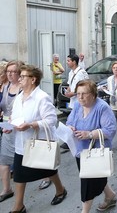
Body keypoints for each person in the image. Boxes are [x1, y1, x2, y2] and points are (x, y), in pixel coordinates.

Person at [4, 65, 67, 213]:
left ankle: (60, 190)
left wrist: (31, 125)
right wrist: (10, 124)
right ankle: (18, 206)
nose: (19, 79)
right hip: (21, 143)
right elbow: (16, 116)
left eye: (23, 76)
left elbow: (51, 120)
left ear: (33, 80)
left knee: (47, 169)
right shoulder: (19, 97)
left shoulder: (42, 97)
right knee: (19, 174)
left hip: (38, 143)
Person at [66, 80, 117, 213]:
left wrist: (89, 134)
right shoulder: (77, 105)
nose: (80, 97)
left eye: (84, 94)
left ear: (93, 94)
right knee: (93, 176)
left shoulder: (102, 107)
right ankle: (110, 196)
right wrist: (70, 127)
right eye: (78, 94)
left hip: (95, 152)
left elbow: (110, 130)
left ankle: (85, 211)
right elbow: (70, 121)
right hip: (80, 150)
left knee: (87, 183)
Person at [0, 60, 23, 203]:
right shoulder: (5, 86)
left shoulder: (24, 88)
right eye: (8, 71)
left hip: (21, 128)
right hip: (7, 127)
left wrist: (12, 123)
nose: (9, 74)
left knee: (31, 159)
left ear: (19, 73)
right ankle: (7, 189)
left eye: (13, 71)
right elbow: (3, 106)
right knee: (4, 160)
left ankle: (49, 177)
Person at [62, 54, 89, 151]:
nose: (67, 62)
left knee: (77, 121)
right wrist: (67, 91)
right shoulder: (71, 73)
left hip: (80, 100)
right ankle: (70, 140)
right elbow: (70, 84)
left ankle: (73, 140)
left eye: (69, 60)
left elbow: (83, 87)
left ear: (74, 62)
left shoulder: (81, 73)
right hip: (73, 101)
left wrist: (72, 94)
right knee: (73, 120)